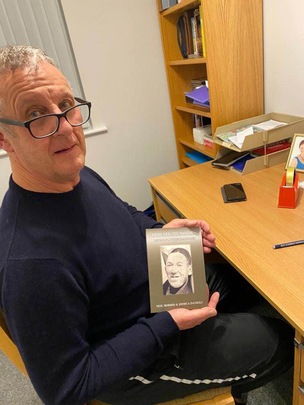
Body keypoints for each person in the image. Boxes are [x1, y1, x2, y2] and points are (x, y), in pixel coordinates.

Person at [0, 45, 293, 405]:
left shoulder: (73, 172)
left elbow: (122, 211)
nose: (65, 127)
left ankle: (221, 332)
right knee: (282, 341)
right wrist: (167, 325)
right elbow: (67, 388)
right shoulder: (31, 265)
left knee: (249, 280)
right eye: (36, 115)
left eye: (66, 105)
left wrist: (157, 232)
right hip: (139, 357)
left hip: (155, 294)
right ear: (3, 138)